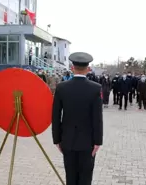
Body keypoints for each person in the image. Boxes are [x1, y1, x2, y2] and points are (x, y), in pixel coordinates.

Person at [52, 52, 103, 185]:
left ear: (72, 67)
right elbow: (97, 118)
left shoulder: (61, 88)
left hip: (67, 140)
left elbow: (56, 115)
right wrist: (98, 141)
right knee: (85, 177)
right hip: (88, 142)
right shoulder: (95, 88)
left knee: (71, 176)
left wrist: (57, 139)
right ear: (88, 68)